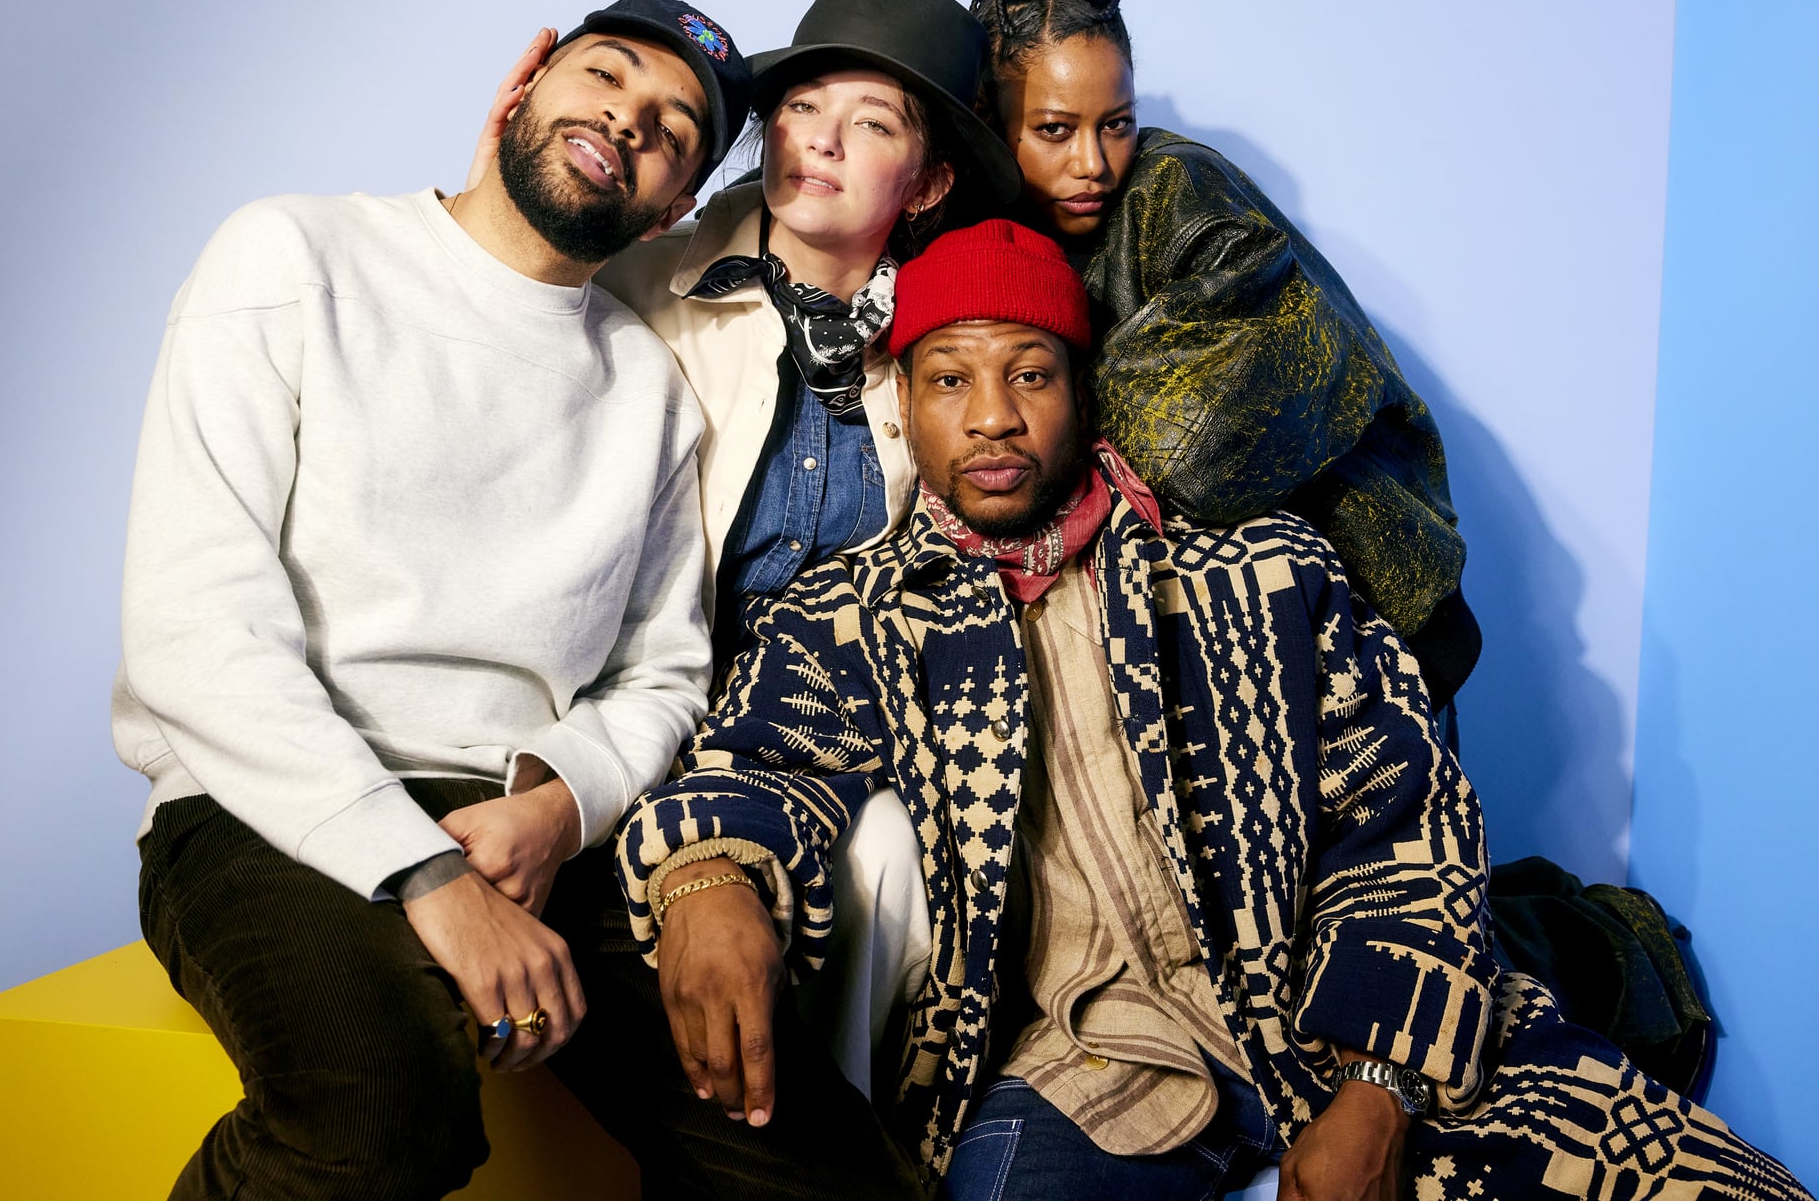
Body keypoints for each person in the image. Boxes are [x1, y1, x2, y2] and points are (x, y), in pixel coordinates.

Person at [618, 219, 1809, 1200]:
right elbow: (754, 757)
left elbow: (1409, 814)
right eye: (950, 378)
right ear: (907, 400)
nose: (991, 414)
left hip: (1328, 1013)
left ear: (1080, 390)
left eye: (1028, 372)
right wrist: (704, 878)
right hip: (1085, 1064)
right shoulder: (861, 608)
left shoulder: (1258, 571)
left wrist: (1375, 1090)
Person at [114, 0, 751, 1199]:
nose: (629, 115)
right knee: (378, 1118)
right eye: (606, 74)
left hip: (524, 827)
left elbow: (662, 669)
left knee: (794, 1142)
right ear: (525, 81)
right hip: (261, 801)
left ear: (674, 205)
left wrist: (560, 804)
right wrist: (425, 875)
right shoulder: (294, 253)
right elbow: (194, 629)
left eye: (673, 128)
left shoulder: (649, 392)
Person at [587, 0, 1023, 1093]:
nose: (818, 143)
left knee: (888, 861)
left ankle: (837, 1145)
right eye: (800, 109)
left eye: (868, 123)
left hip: (840, 736)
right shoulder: (640, 282)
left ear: (923, 184)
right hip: (644, 713)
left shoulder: (948, 346)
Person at [970, 0, 1483, 706]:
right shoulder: (1001, 229)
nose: (1093, 164)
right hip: (1267, 642)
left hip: (1387, 616)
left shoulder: (1180, 190)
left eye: (1116, 124)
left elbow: (1193, 445)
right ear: (989, 120)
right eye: (1054, 130)